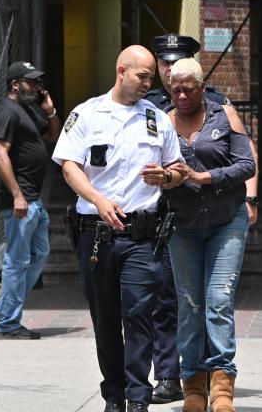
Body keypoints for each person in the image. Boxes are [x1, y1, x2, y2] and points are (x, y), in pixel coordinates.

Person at [53, 45, 187, 412]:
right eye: (142, 75)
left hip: (142, 236)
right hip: (97, 235)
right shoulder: (87, 113)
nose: (149, 82)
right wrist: (98, 199)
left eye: (150, 76)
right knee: (106, 319)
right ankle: (114, 395)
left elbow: (178, 169)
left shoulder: (157, 119)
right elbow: (69, 166)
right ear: (121, 71)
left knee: (139, 315)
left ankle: (138, 398)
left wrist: (168, 176)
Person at [143, 34, 261, 405]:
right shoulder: (160, 120)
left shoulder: (221, 112)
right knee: (189, 304)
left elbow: (247, 164)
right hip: (183, 225)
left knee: (218, 300)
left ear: (201, 87)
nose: (181, 96)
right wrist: (165, 178)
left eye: (188, 90)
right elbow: (152, 166)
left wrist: (202, 177)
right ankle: (193, 385)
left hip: (227, 220)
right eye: (176, 89)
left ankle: (222, 387)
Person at [0, 60, 60, 339]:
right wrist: (17, 195)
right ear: (15, 84)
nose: (37, 87)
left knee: (39, 254)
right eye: (31, 82)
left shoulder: (27, 110)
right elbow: (0, 154)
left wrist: (50, 110)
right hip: (20, 199)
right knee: (16, 260)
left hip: (33, 198)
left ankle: (4, 306)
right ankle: (8, 323)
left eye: (38, 82)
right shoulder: (7, 111)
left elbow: (54, 135)